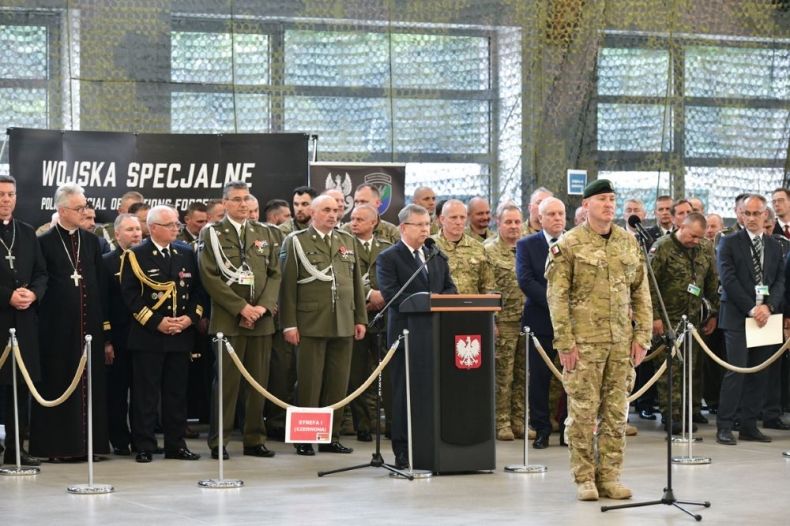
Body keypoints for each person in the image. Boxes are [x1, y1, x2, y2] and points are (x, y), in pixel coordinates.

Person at [546, 179, 651, 501]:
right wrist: (565, 342)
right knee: (582, 413)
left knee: (617, 414)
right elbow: (557, 297)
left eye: (612, 199)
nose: (608, 205)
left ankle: (609, 476)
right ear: (587, 205)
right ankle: (584, 478)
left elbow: (642, 292)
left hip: (621, 342)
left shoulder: (627, 242)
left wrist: (642, 336)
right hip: (585, 344)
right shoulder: (569, 244)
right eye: (602, 199)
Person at [280, 194, 367, 456]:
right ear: (313, 213)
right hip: (310, 323)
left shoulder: (347, 240)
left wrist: (360, 318)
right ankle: (305, 438)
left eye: (336, 210)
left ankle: (331, 437)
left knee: (337, 384)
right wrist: (289, 325)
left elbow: (355, 284)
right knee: (309, 383)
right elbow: (286, 288)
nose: (333, 214)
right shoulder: (296, 241)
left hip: (343, 321)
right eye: (326, 210)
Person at [200, 182, 282, 460]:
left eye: (246, 198)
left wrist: (261, 308)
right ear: (225, 204)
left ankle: (254, 439)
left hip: (261, 320)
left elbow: (274, 274)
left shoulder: (265, 233)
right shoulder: (212, 233)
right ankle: (219, 442)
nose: (243, 204)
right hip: (228, 320)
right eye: (236, 200)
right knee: (226, 384)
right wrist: (241, 308)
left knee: (258, 383)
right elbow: (210, 276)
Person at [31, 183, 110, 461]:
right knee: (58, 382)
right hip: (56, 331)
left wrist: (106, 331)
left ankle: (90, 446)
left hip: (90, 327)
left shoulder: (92, 241)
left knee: (91, 385)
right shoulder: (43, 242)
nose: (85, 212)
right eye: (79, 208)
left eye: (85, 206)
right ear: (62, 210)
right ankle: (58, 447)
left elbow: (99, 285)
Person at [120, 205, 203, 463]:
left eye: (176, 224)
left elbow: (198, 291)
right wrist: (157, 322)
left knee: (176, 394)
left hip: (180, 334)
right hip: (150, 336)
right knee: (146, 395)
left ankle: (175, 444)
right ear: (153, 228)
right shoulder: (136, 255)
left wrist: (190, 319)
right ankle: (144, 445)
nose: (176, 229)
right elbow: (131, 296)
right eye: (170, 225)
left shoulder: (186, 253)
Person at [377, 204, 457, 469]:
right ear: (403, 228)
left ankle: (431, 446)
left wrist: (436, 301)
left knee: (432, 394)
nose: (426, 229)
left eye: (427, 225)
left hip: (435, 337)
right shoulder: (389, 257)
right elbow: (392, 296)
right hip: (405, 337)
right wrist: (428, 301)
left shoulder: (435, 254)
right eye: (420, 225)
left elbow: (450, 289)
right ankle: (403, 450)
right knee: (403, 396)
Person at [716, 194, 785, 446]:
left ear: (766, 215)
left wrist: (769, 306)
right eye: (748, 214)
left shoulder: (775, 245)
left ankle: (749, 425)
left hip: (766, 317)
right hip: (738, 317)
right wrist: (751, 308)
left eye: (758, 214)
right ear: (740, 215)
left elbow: (779, 280)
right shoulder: (729, 242)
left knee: (760, 372)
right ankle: (724, 425)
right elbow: (728, 279)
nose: (753, 218)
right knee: (737, 371)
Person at [649, 212, 718, 433]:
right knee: (670, 368)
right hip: (668, 318)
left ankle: (689, 410)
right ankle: (672, 415)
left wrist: (712, 313)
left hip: (693, 319)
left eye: (700, 237)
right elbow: (649, 284)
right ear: (681, 226)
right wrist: (655, 317)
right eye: (693, 236)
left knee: (690, 366)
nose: (696, 241)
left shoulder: (705, 248)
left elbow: (711, 281)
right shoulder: (662, 247)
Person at [0, 175, 47, 467]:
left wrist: (31, 294)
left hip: (25, 322)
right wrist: (7, 296)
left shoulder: (27, 232)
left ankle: (16, 448)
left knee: (20, 387)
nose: (6, 199)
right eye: (2, 194)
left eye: (11, 194)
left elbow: (42, 273)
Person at [517, 197, 568, 449]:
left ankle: (569, 427)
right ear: (540, 218)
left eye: (561, 214)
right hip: (540, 320)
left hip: (571, 323)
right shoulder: (527, 245)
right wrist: (555, 303)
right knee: (539, 378)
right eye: (552, 214)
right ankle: (541, 429)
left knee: (572, 378)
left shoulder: (575, 242)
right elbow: (525, 280)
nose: (558, 218)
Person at [346, 204, 392, 442]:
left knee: (388, 372)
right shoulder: (343, 245)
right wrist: (367, 294)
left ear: (374, 223)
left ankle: (392, 424)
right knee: (357, 374)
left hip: (383, 317)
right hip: (356, 316)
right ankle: (363, 425)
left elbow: (394, 275)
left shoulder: (385, 247)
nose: (354, 223)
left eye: (360, 219)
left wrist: (380, 296)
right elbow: (342, 276)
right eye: (352, 218)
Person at [102, 213, 143, 456]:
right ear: (117, 235)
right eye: (129, 230)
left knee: (142, 392)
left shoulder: (148, 259)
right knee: (117, 392)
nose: (136, 234)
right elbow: (103, 304)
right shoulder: (107, 262)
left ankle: (141, 438)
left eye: (138, 229)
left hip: (145, 335)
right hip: (118, 336)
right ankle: (118, 438)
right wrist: (106, 339)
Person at [486, 203, 527, 441]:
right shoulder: (489, 251)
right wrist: (491, 320)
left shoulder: (528, 247)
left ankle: (520, 420)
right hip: (504, 322)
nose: (513, 226)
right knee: (503, 376)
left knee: (524, 374)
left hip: (527, 320)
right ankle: (501, 422)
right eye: (508, 222)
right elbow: (488, 287)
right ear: (498, 223)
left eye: (517, 222)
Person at [432, 199, 495, 295]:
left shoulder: (478, 247)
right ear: (442, 219)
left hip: (472, 306)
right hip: (440, 307)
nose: (458, 222)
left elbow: (487, 286)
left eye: (462, 217)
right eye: (453, 217)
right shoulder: (430, 246)